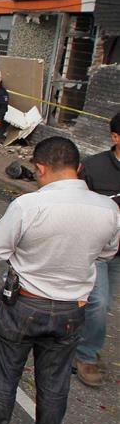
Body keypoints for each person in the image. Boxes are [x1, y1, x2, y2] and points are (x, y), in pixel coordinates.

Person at [0, 136, 119, 424]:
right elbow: (107, 252)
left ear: (41, 168)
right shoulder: (108, 209)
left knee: (3, 376)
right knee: (55, 382)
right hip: (71, 311)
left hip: (23, 306)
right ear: (78, 167)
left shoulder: (28, 206)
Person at [75, 112, 120, 387]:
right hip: (99, 251)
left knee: (104, 303)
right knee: (99, 302)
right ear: (115, 137)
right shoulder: (94, 167)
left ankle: (79, 338)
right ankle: (86, 355)